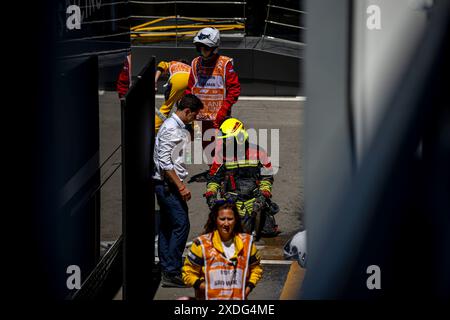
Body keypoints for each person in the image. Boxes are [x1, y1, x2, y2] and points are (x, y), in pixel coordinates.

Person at [153, 94, 204, 287]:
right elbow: (165, 163)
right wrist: (181, 186)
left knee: (168, 226)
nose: (195, 119)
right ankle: (172, 271)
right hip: (169, 186)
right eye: (194, 115)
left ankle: (167, 266)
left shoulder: (177, 127)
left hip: (167, 185)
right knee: (182, 225)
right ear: (187, 111)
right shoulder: (171, 129)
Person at [204, 118, 279, 237]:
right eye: (224, 141)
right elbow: (214, 179)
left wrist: (263, 195)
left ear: (239, 137)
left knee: (267, 231)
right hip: (232, 201)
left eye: (228, 140)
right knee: (232, 234)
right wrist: (211, 196)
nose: (225, 143)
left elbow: (267, 177)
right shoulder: (221, 155)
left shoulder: (259, 152)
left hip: (255, 200)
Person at [182, 202, 263, 300]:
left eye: (230, 219)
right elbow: (188, 272)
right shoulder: (201, 244)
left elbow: (256, 269)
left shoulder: (247, 243)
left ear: (235, 220)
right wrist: (206, 288)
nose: (226, 223)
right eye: (222, 219)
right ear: (215, 220)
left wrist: (247, 289)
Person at [185, 27, 241, 151]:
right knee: (206, 146)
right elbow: (190, 89)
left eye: (206, 48)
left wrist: (223, 110)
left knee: (222, 147)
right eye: (199, 48)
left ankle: (222, 169)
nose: (202, 51)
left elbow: (234, 90)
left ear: (214, 48)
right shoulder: (195, 63)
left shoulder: (225, 64)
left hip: (219, 116)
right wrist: (187, 108)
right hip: (199, 115)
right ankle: (213, 170)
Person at [154, 59, 191, 132]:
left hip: (179, 79)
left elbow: (161, 65)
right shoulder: (189, 67)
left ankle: (155, 128)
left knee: (167, 106)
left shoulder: (172, 63)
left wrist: (155, 81)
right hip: (191, 80)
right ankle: (194, 129)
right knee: (188, 106)